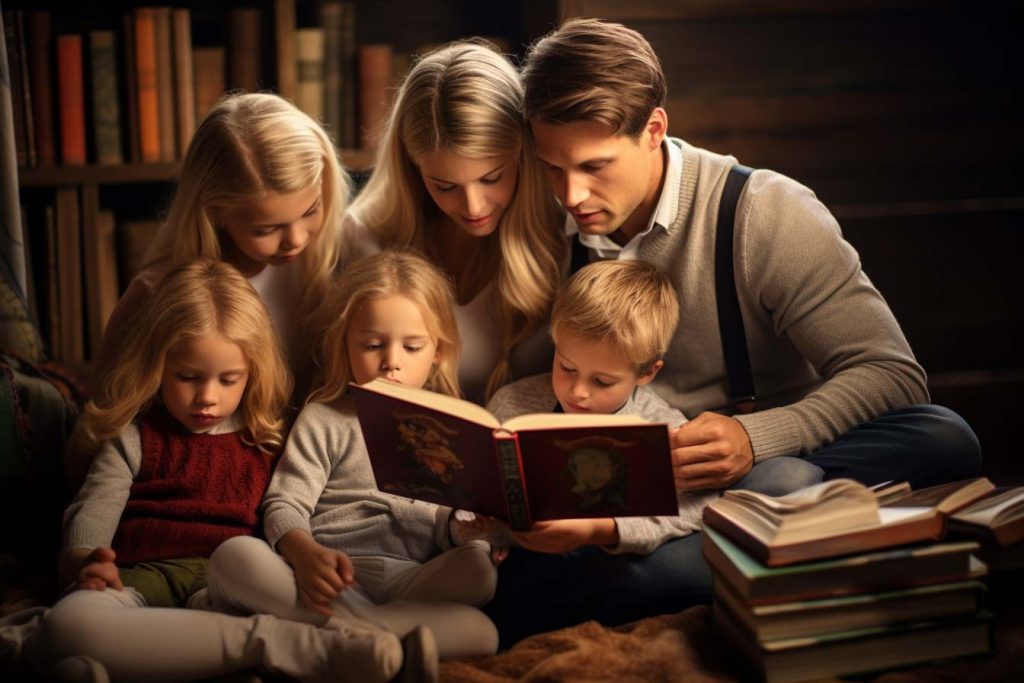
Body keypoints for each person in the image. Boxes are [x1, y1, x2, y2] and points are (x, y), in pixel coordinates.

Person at [519, 18, 980, 492]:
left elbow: (892, 375)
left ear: (654, 129)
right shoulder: (540, 227)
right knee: (783, 488)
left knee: (943, 436)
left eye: (595, 166)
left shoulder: (764, 210)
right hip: (625, 479)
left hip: (768, 453)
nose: (571, 194)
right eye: (552, 168)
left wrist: (756, 437)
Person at [20, 260, 431, 683]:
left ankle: (204, 652)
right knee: (67, 625)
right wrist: (86, 561)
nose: (207, 398)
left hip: (226, 590)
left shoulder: (267, 441)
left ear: (253, 373)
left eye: (228, 379)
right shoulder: (134, 438)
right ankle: (264, 648)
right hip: (137, 581)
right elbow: (94, 508)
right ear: (157, 364)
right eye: (188, 377)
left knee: (251, 569)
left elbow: (288, 513)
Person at [480, 259, 823, 645]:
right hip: (518, 563)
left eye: (603, 381)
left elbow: (691, 511)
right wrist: (484, 530)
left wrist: (603, 530)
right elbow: (481, 490)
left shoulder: (661, 424)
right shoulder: (514, 402)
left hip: (605, 559)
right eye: (566, 367)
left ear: (647, 372)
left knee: (788, 480)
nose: (578, 392)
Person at [206, 251, 501, 662]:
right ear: (345, 343)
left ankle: (348, 634)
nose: (391, 362)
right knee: (234, 557)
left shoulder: (449, 428)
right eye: (372, 344)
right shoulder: (326, 417)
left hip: (409, 580)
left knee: (481, 595)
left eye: (412, 347)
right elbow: (284, 503)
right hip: (324, 576)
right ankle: (377, 635)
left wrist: (467, 528)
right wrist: (305, 555)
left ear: (437, 351)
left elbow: (442, 530)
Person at [95, 92, 350, 417]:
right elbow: (107, 413)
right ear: (214, 213)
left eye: (311, 210)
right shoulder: (155, 293)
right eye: (266, 230)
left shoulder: (330, 261)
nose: (296, 240)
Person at [345, 41, 567, 404]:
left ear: (523, 155)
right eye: (445, 186)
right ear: (414, 172)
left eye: (492, 178)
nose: (473, 206)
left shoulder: (570, 236)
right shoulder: (364, 239)